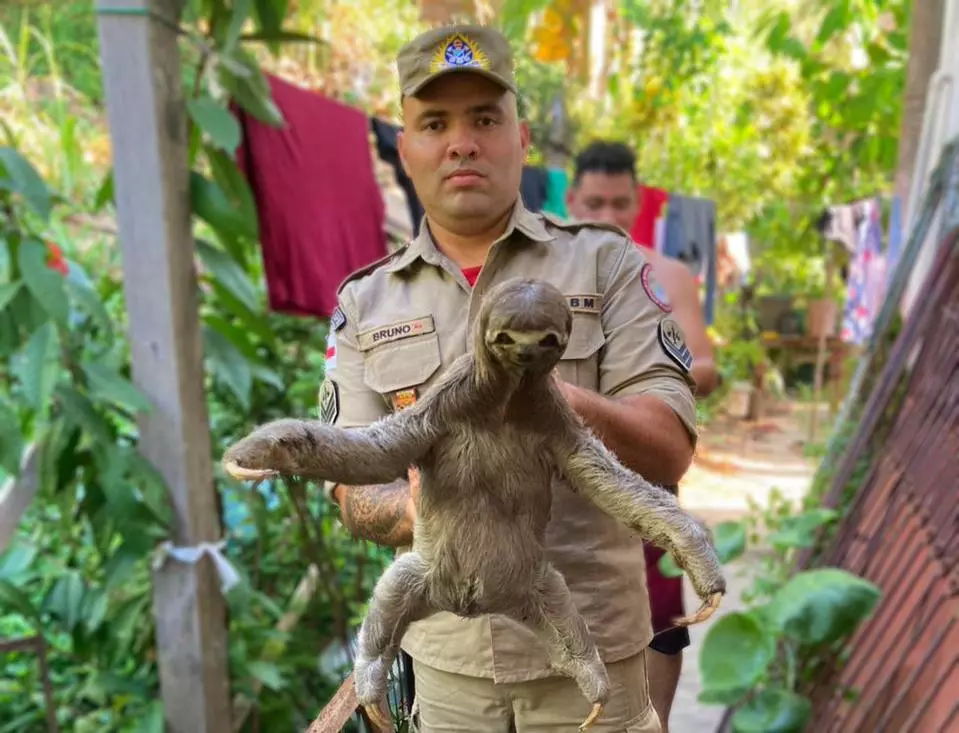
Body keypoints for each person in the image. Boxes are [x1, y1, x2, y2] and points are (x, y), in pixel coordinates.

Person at [321, 24, 699, 733]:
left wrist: (552, 399)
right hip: (447, 671)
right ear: (405, 149)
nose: (461, 141)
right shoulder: (364, 304)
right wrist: (416, 510)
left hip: (593, 664)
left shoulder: (606, 267)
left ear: (521, 138)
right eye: (434, 123)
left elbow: (670, 443)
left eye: (484, 119)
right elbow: (350, 482)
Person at [566, 139, 720, 732]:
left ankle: (653, 723)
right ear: (574, 200)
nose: (607, 215)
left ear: (638, 204)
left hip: (643, 465)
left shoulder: (667, 273)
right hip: (564, 469)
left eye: (619, 203)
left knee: (658, 613)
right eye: (595, 202)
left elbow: (703, 363)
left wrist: (644, 383)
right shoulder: (542, 269)